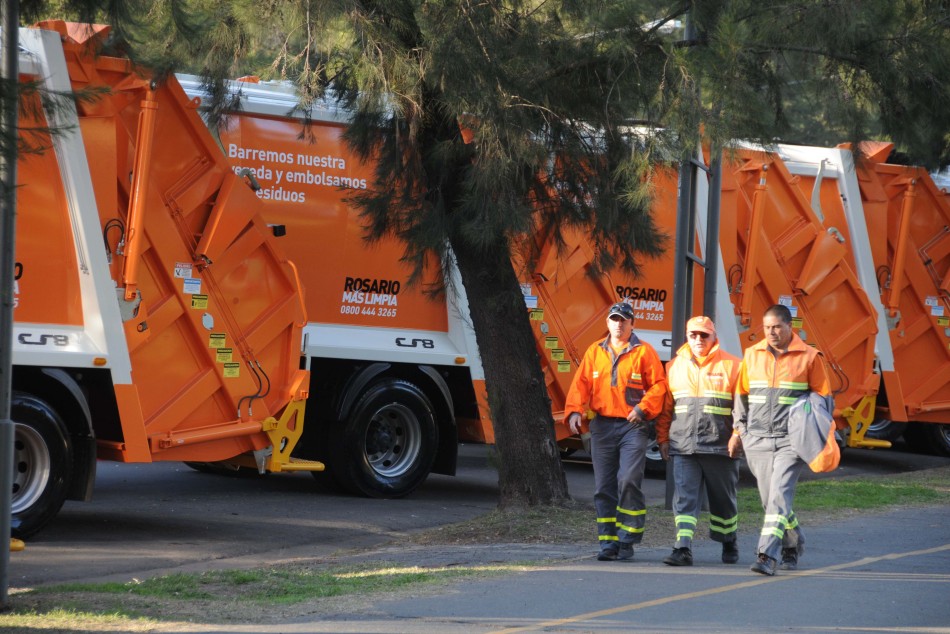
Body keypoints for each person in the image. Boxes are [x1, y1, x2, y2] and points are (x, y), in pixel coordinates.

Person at [729, 304, 831, 576]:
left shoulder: (810, 357)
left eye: (776, 327)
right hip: (757, 440)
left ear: (790, 326)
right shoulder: (752, 355)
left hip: (790, 442)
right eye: (767, 327)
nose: (771, 332)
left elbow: (823, 401)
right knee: (770, 501)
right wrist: (740, 432)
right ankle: (793, 542)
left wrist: (813, 437)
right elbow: (741, 398)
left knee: (778, 498)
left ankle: (766, 555)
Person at [565, 301, 667, 561]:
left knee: (629, 479)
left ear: (632, 323)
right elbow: (580, 384)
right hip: (602, 426)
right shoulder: (595, 351)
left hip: (633, 426)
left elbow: (658, 386)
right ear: (607, 323)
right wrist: (575, 410)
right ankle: (608, 542)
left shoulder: (644, 352)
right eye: (614, 319)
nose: (619, 324)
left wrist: (643, 409)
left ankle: (627, 539)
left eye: (623, 319)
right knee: (604, 486)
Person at [656, 316, 742, 567]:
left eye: (704, 335)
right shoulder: (674, 366)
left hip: (720, 446)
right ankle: (682, 547)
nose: (698, 339)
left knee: (723, 501)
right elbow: (667, 408)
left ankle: (728, 539)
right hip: (684, 446)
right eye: (693, 335)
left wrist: (737, 435)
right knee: (684, 499)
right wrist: (662, 438)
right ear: (687, 336)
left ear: (714, 337)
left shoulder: (733, 365)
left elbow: (742, 408)